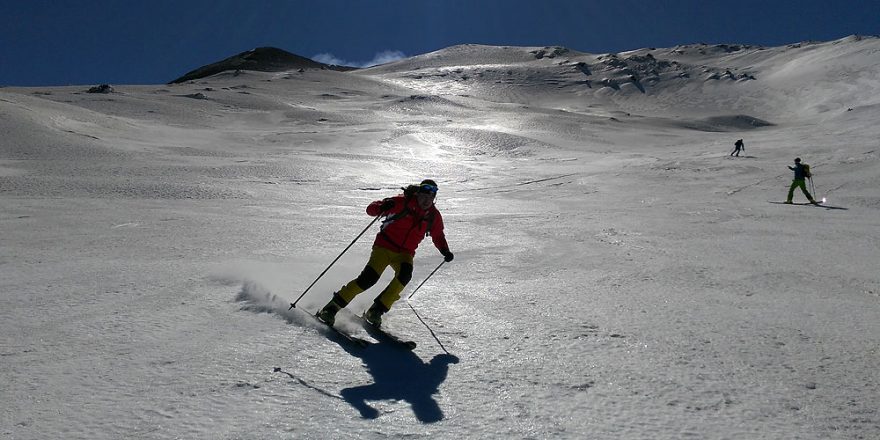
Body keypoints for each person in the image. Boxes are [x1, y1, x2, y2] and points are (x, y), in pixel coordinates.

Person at [317, 179, 454, 327]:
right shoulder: (402, 202)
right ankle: (331, 308)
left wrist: (445, 250)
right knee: (368, 279)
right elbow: (370, 209)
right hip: (384, 246)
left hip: (405, 253)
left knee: (404, 276)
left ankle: (376, 310)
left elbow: (438, 235)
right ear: (418, 194)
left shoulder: (433, 216)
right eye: (424, 196)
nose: (427, 200)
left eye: (431, 197)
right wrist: (382, 206)